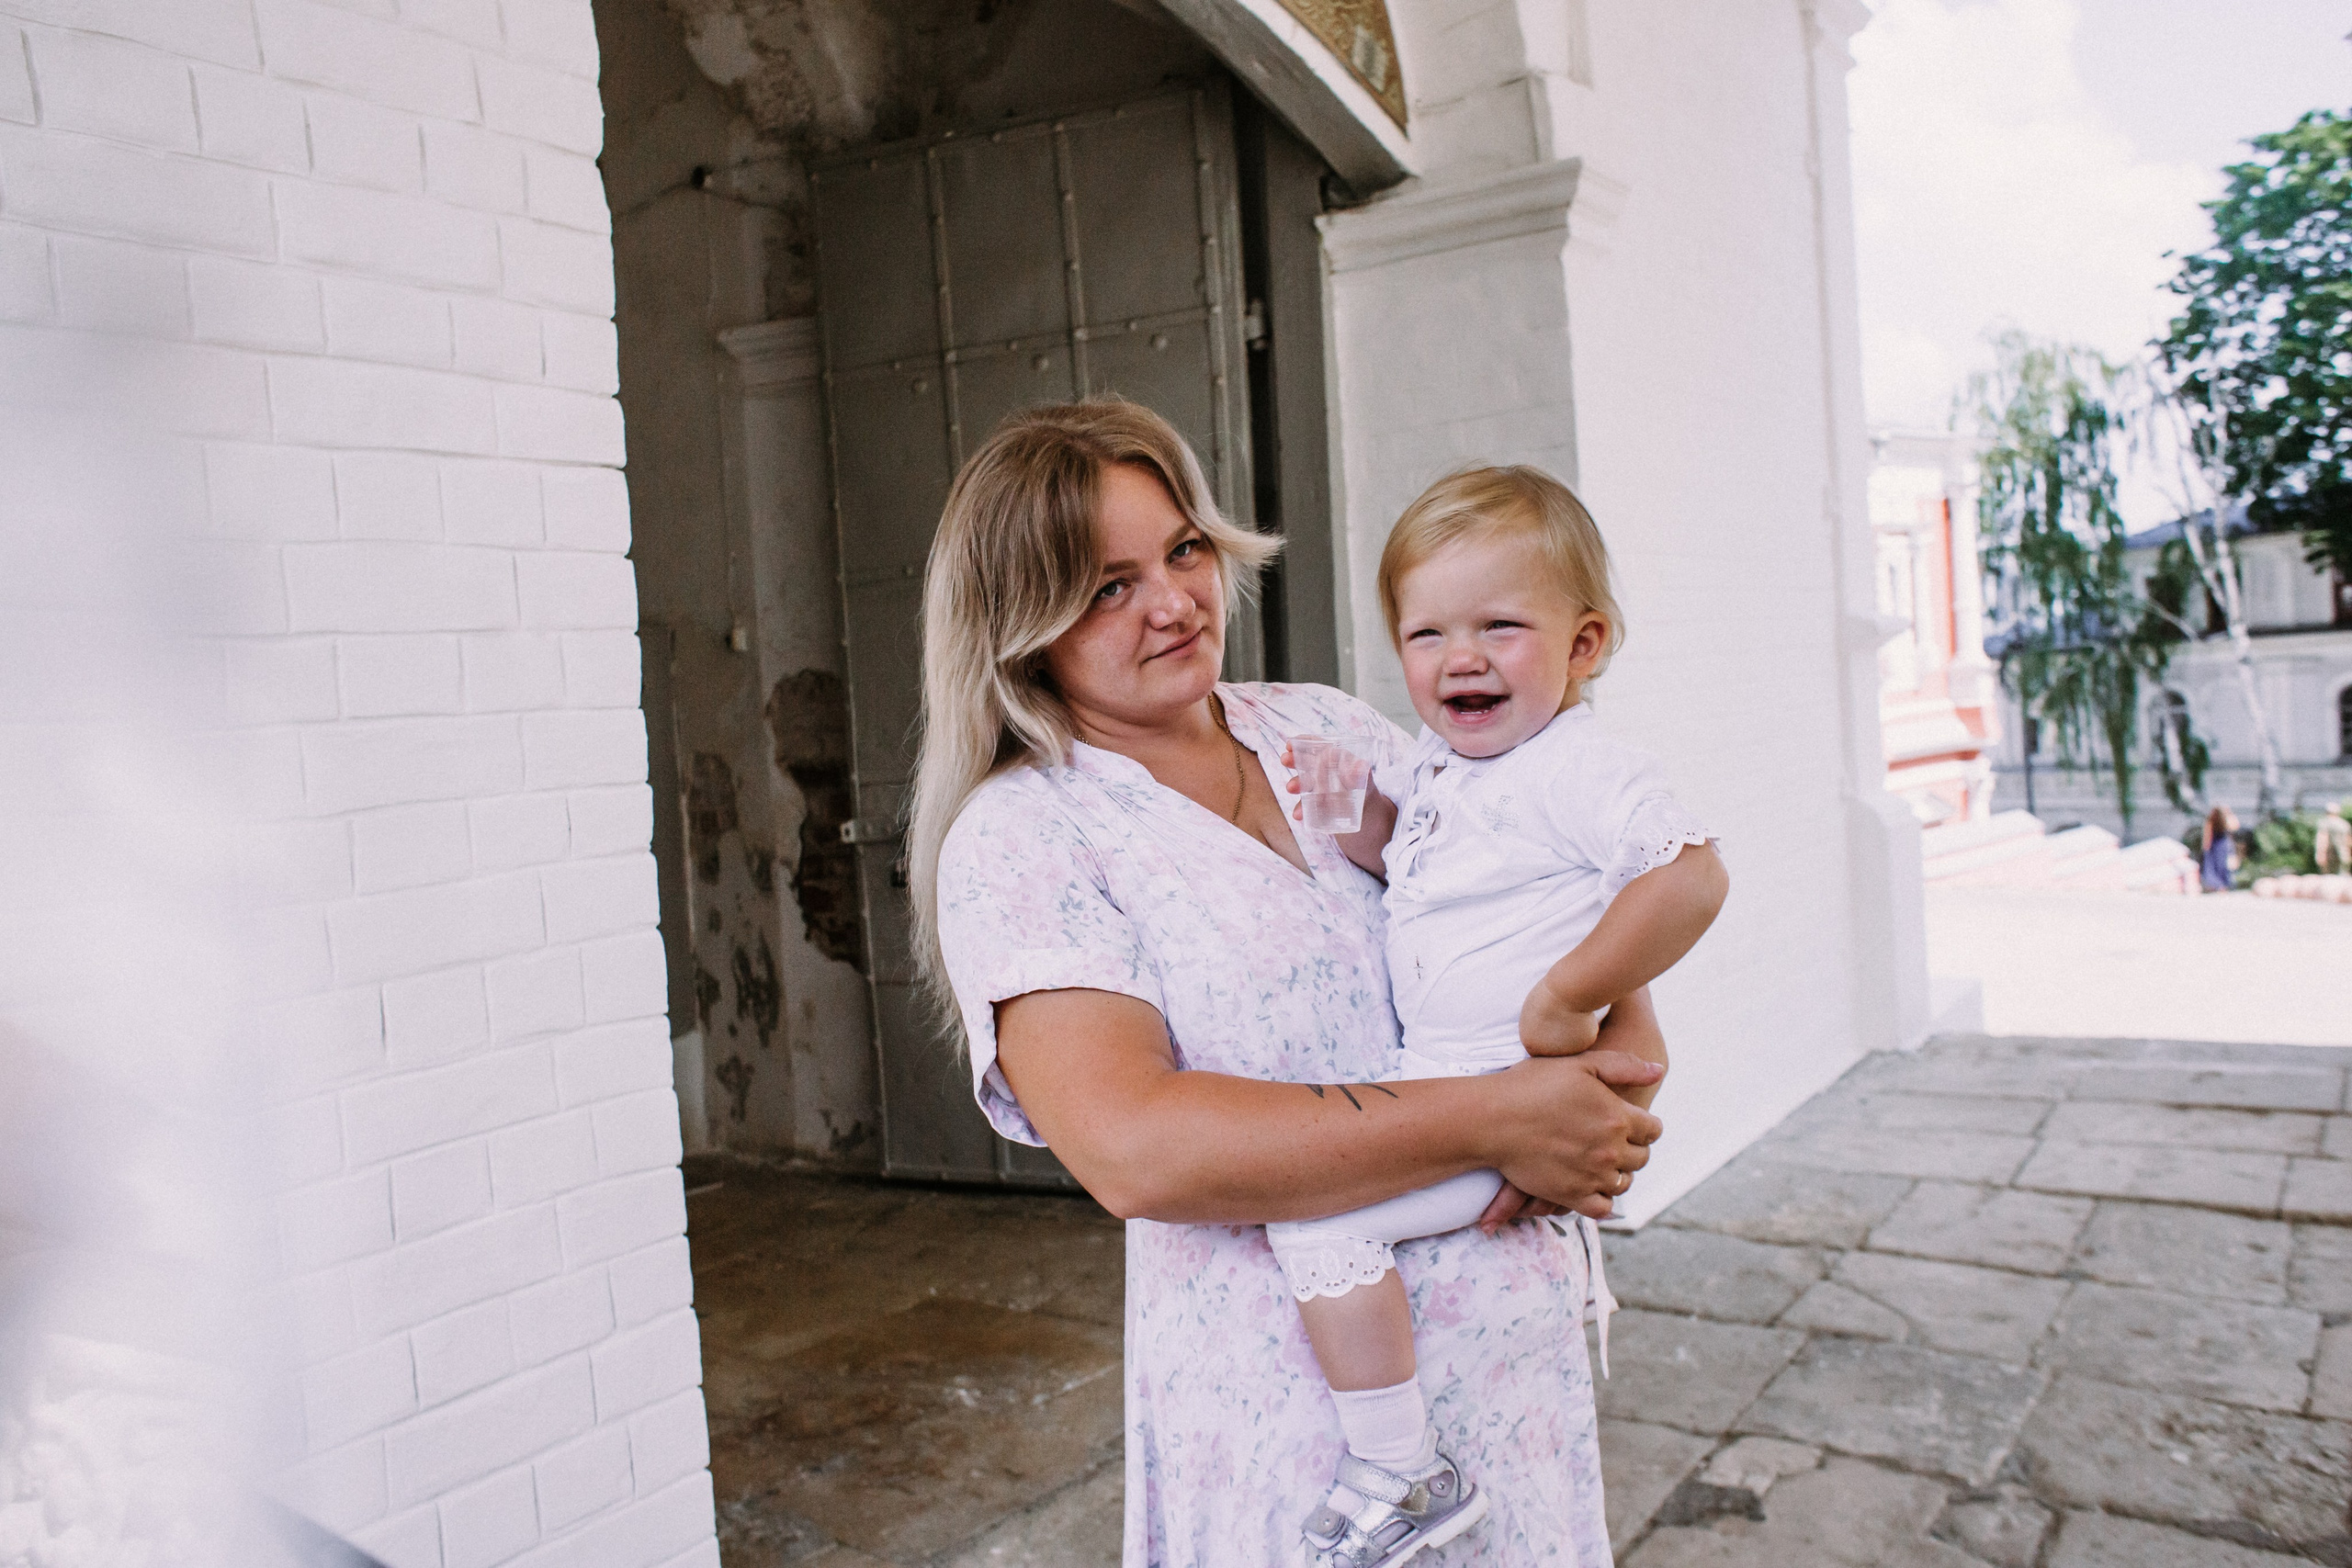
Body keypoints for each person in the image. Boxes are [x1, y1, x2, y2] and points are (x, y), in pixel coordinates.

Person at [917, 400, 1667, 1567]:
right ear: (1022, 628)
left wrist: (1606, 1071)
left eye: (1182, 550)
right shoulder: (1028, 839)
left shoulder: (1325, 728)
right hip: (1292, 1435)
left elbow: (1549, 893)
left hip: (1513, 1384)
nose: (1173, 600)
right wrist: (1506, 1119)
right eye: (1106, 586)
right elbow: (1138, 1148)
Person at [1263, 468, 1726, 1567]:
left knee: (1316, 1222)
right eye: (1425, 635)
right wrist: (1343, 802)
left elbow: (1690, 877)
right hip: (1442, 1088)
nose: (1459, 658)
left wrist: (1568, 996)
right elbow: (1406, 862)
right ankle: (1403, 1458)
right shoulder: (1445, 766)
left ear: (1585, 645)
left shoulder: (1579, 768)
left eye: (1499, 627)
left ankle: (1400, 1465)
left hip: (1501, 1100)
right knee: (1323, 1199)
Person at [2200, 804, 2240, 893]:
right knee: (2220, 867)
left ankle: (2219, 886)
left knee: (2217, 867)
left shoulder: (2216, 819)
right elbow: (2235, 827)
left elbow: (2207, 834)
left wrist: (2205, 847)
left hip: (2219, 845)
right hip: (2220, 845)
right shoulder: (2215, 820)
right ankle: (2220, 886)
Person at [2316, 802, 2350, 874]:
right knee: (2343, 876)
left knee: (2328, 877)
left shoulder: (2325, 823)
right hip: (2343, 854)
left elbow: (2323, 839)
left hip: (2330, 855)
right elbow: (2349, 841)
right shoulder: (2344, 824)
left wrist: (2321, 854)